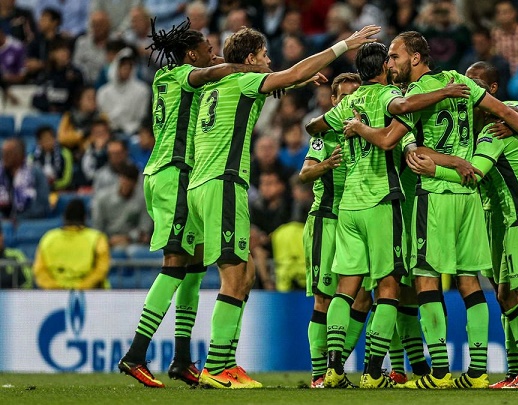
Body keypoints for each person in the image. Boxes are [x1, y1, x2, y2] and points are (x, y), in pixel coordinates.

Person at [342, 31, 518, 389]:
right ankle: (479, 373)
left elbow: (401, 146)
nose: (390, 64)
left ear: (416, 58)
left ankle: (439, 373)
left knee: (425, 280)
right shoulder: (459, 80)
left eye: (395, 56)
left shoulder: (413, 95)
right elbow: (503, 111)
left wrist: (359, 127)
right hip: (467, 194)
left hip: (432, 193)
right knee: (470, 282)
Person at [185, 24, 381, 389]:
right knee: (233, 277)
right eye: (264, 56)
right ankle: (215, 366)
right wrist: (344, 45)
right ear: (250, 59)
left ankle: (226, 361)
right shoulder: (243, 81)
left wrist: (293, 83)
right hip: (222, 185)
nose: (269, 61)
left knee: (246, 275)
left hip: (203, 184)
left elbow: (284, 80)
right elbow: (291, 72)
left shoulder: (217, 84)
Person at [306, 39, 470, 388]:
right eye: (390, 60)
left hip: (347, 205)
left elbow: (313, 127)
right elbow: (402, 111)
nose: (393, 65)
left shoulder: (348, 103)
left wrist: (339, 126)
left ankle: (332, 368)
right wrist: (444, 93)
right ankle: (370, 372)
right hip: (381, 201)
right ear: (382, 67)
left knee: (345, 289)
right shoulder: (385, 98)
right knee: (389, 288)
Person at [118, 18, 270, 389]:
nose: (213, 54)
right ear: (190, 54)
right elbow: (213, 76)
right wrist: (245, 67)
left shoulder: (164, 80)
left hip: (177, 176)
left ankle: (182, 358)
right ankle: (136, 354)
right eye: (208, 50)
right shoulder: (182, 75)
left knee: (195, 263)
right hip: (174, 174)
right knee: (174, 264)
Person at [407, 98, 518, 389]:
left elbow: (474, 174)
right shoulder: (510, 120)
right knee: (509, 296)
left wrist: (435, 170)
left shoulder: (493, 132)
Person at [298, 72, 374, 388]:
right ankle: (319, 376)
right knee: (324, 300)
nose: (349, 102)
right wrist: (327, 164)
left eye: (355, 96)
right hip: (326, 221)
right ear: (333, 101)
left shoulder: (366, 133)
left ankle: (336, 367)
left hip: (355, 224)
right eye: (343, 97)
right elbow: (304, 174)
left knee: (363, 299)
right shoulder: (324, 137)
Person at [33, 199, 110, 290]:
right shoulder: (97, 238)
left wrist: (56, 288)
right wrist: (81, 287)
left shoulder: (48, 238)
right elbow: (101, 269)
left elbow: (39, 271)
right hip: (92, 295)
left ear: (64, 217)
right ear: (85, 218)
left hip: (55, 296)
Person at [91, 162, 152, 256]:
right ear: (120, 179)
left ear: (135, 184)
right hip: (107, 241)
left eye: (129, 181)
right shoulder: (102, 199)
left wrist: (128, 238)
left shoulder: (143, 200)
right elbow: (97, 227)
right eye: (124, 179)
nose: (125, 184)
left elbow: (144, 229)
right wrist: (108, 241)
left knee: (134, 251)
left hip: (133, 242)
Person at [0, 137, 50, 220]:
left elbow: (42, 206)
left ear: (20, 154)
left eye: (8, 153)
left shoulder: (36, 173)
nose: (4, 156)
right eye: (3, 153)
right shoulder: (1, 173)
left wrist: (17, 218)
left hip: (30, 223)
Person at [31, 126, 73, 191]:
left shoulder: (65, 153)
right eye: (44, 139)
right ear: (39, 142)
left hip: (60, 190)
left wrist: (53, 184)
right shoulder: (32, 156)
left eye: (50, 138)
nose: (48, 142)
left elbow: (67, 179)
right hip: (38, 190)